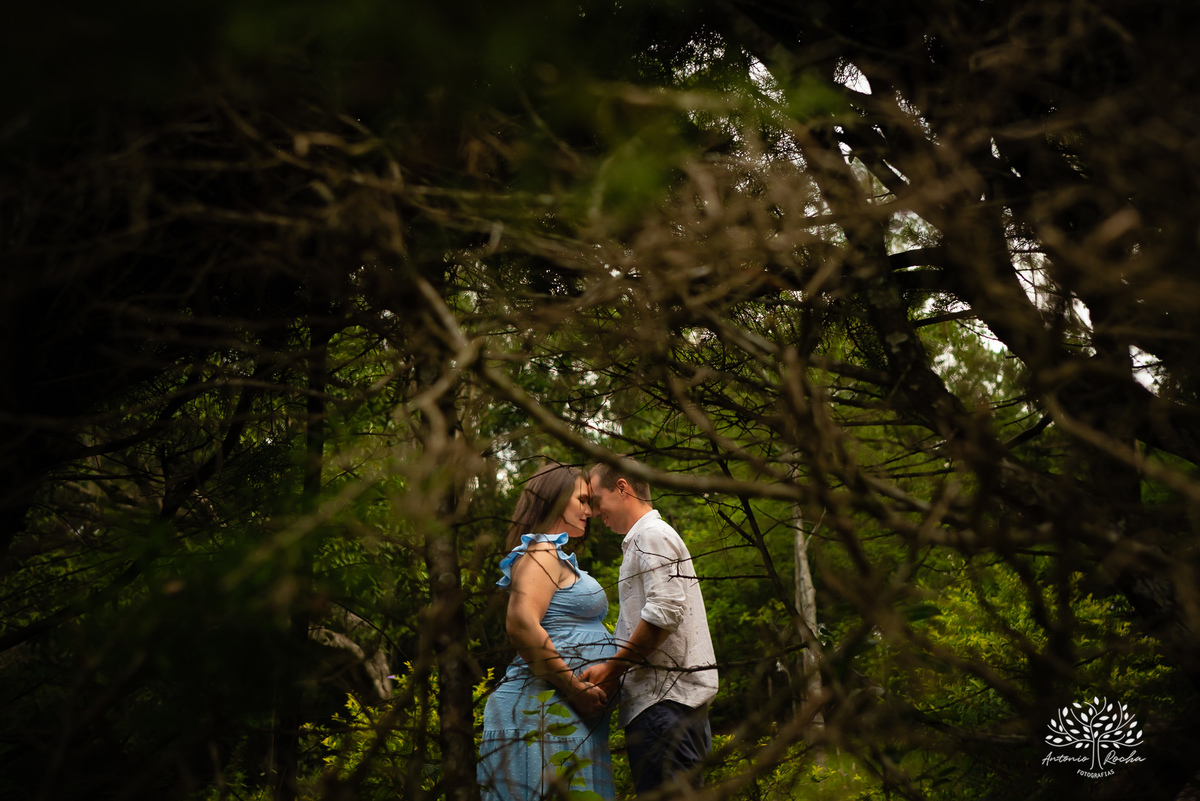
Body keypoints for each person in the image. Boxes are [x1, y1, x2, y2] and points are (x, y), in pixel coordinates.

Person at [478, 464, 616, 801]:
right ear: (554, 500)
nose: (590, 511)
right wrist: (575, 688)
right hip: (539, 712)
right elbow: (521, 623)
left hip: (563, 716)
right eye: (582, 500)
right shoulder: (541, 550)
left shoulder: (553, 555)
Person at [581, 462, 718, 797]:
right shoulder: (643, 540)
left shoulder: (651, 537)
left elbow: (664, 614)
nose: (593, 511)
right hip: (666, 708)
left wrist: (612, 671)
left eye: (596, 499)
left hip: (664, 707)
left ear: (623, 488)